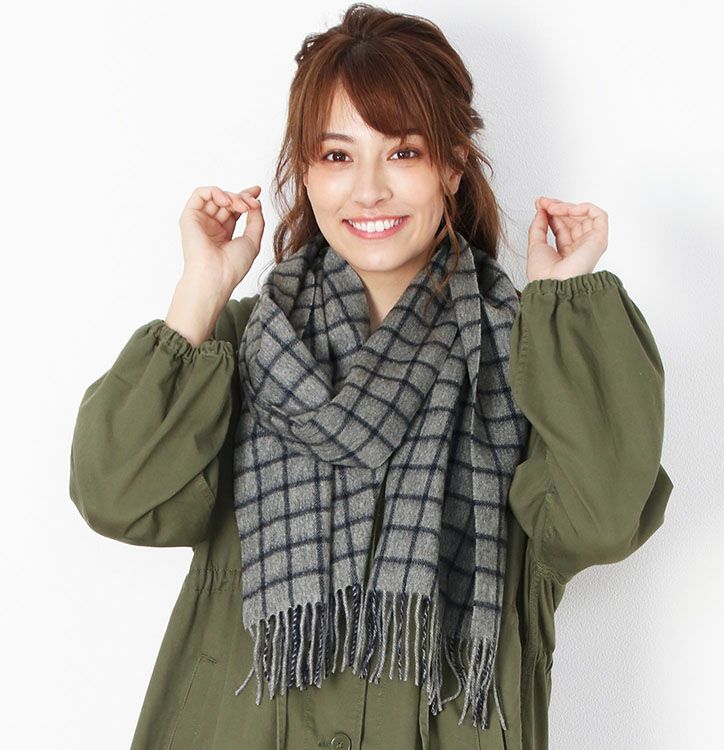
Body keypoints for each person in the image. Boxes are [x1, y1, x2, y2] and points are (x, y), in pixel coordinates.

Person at [68, 4, 674, 749]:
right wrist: (201, 289)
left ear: (452, 165)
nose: (368, 190)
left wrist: (561, 306)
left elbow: (601, 520)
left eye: (404, 152)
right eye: (337, 155)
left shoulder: (526, 357)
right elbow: (117, 497)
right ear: (305, 171)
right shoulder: (237, 346)